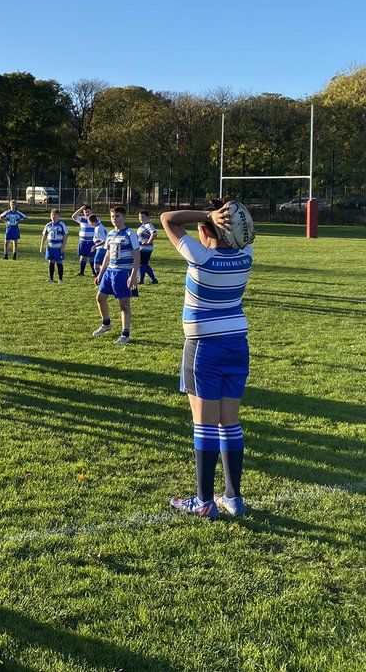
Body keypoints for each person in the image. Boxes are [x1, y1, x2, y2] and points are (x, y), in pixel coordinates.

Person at [160, 199, 253, 520]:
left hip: (203, 348)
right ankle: (233, 497)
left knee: (204, 424)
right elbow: (245, 238)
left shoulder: (201, 258)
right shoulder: (246, 257)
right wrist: (224, 221)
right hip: (237, 345)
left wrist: (208, 215)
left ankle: (203, 501)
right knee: (230, 422)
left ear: (204, 229)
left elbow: (168, 220)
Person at [92, 205, 140, 344]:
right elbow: (107, 254)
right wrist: (100, 274)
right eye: (113, 216)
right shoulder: (110, 234)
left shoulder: (130, 234)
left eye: (117, 216)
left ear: (124, 217)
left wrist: (133, 276)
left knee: (124, 304)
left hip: (123, 272)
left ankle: (125, 334)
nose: (115, 219)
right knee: (100, 298)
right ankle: (106, 324)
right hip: (109, 272)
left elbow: (137, 256)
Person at [39, 209, 69, 282]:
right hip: (50, 247)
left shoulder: (62, 224)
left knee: (59, 262)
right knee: (51, 262)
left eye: (55, 215)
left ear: (58, 216)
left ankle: (60, 279)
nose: (53, 216)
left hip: (58, 247)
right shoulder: (48, 225)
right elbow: (44, 236)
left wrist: (63, 246)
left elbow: (65, 235)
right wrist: (41, 246)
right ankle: (51, 278)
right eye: (52, 215)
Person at [72, 205, 96, 276]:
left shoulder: (95, 219)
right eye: (85, 212)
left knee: (92, 257)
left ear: (91, 211)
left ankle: (94, 272)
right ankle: (81, 272)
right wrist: (80, 209)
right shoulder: (82, 219)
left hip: (92, 241)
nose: (87, 213)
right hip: (83, 241)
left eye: (88, 212)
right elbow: (73, 217)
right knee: (83, 256)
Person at [137, 210, 159, 284]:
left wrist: (148, 242)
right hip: (142, 248)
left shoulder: (148, 225)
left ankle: (141, 281)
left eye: (143, 217)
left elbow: (154, 233)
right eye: (139, 216)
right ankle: (154, 279)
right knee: (144, 264)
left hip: (145, 248)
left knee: (141, 264)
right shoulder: (143, 225)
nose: (140, 218)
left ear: (147, 217)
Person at [88, 212, 109, 281]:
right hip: (102, 249)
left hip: (102, 249)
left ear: (91, 222)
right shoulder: (99, 225)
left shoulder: (98, 229)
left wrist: (95, 246)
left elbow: (105, 240)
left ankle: (100, 280)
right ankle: (103, 279)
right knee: (101, 266)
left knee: (96, 265)